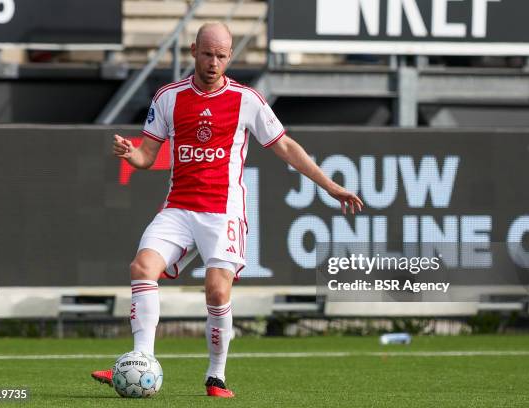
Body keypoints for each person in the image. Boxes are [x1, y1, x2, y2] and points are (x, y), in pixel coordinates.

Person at [91, 22, 363, 398]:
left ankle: (215, 377)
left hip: (223, 212)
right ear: (192, 51)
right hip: (179, 208)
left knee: (217, 292)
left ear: (229, 56)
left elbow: (285, 146)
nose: (213, 62)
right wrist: (130, 153)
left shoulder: (246, 99)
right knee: (141, 268)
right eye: (207, 54)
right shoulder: (168, 97)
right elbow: (146, 155)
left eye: (221, 56)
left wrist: (331, 186)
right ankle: (141, 360)